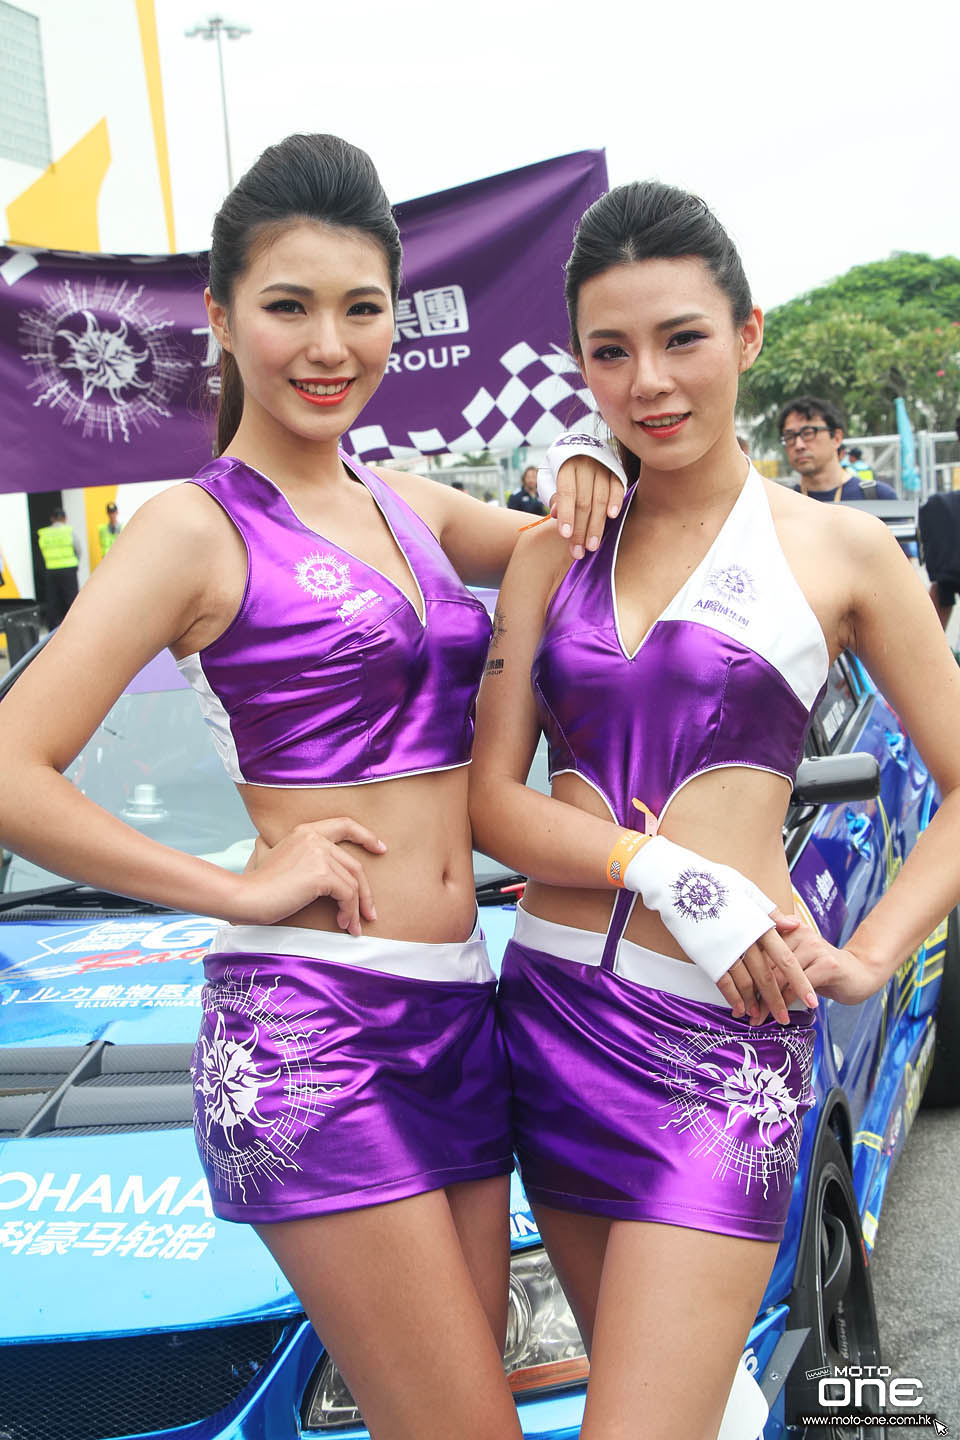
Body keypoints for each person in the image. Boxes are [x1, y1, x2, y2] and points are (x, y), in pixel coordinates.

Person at [0, 134, 625, 1440]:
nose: (329, 343)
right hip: (313, 1032)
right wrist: (225, 880)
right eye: (288, 306)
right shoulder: (193, 525)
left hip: (461, 1011)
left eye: (362, 307)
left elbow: (577, 560)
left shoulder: (401, 504)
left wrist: (590, 459)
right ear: (221, 318)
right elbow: (12, 765)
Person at [469, 180, 960, 1440]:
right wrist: (685, 879)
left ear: (747, 334)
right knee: (663, 1404)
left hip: (723, 1044)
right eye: (610, 352)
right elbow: (493, 809)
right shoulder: (552, 550)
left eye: (683, 338)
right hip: (552, 1017)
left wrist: (869, 956)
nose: (650, 383)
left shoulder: (840, 553)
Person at [778, 396, 897, 501]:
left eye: (808, 433)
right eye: (789, 436)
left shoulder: (878, 497)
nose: (799, 445)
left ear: (836, 438)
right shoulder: (780, 505)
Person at [36, 505, 80, 626]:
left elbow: (41, 552)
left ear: (52, 519)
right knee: (72, 601)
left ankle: (53, 631)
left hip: (51, 570)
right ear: (65, 518)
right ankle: (75, 626)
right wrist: (75, 562)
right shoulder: (69, 531)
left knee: (53, 602)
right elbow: (78, 549)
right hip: (68, 570)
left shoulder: (44, 533)